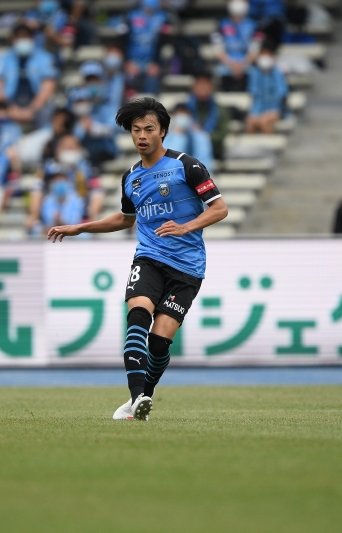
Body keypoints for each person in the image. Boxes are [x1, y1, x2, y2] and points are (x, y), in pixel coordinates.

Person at [46, 97, 228, 421]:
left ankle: (144, 396)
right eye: (136, 130)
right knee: (137, 317)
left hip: (187, 267)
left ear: (163, 131)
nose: (142, 135)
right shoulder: (131, 177)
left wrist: (185, 226)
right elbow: (125, 219)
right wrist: (80, 227)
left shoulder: (187, 166)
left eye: (149, 129)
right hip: (149, 258)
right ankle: (136, 398)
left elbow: (220, 208)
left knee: (158, 343)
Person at [0, 23, 57, 126]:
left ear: (33, 39)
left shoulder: (45, 58)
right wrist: (10, 108)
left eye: (26, 37)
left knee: (49, 115)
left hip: (38, 105)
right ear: (13, 39)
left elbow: (48, 86)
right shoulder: (3, 59)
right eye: (19, 37)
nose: (23, 40)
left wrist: (33, 108)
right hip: (9, 104)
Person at [123, 0, 170, 95]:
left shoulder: (164, 18)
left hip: (152, 62)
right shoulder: (131, 16)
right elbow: (123, 40)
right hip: (132, 61)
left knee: (152, 80)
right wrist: (127, 61)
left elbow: (165, 42)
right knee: (129, 80)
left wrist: (157, 63)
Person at [212, 0, 259, 92]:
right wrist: (232, 65)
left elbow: (255, 49)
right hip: (226, 63)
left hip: (247, 64)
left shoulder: (254, 24)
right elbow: (218, 49)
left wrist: (242, 65)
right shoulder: (221, 23)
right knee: (220, 71)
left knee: (254, 73)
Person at [187, 72, 231, 160]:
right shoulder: (185, 109)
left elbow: (222, 133)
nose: (202, 88)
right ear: (194, 87)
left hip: (214, 151)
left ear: (211, 87)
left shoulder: (220, 110)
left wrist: (202, 136)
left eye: (205, 85)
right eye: (200, 85)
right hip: (189, 150)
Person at [245, 43, 288, 134]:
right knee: (250, 122)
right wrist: (255, 114)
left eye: (267, 54)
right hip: (258, 109)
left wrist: (266, 113)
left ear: (272, 56)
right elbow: (254, 93)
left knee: (264, 121)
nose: (265, 57)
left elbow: (281, 94)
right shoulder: (254, 73)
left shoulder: (278, 73)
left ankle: (271, 142)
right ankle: (251, 143)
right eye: (262, 54)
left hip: (276, 109)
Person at [163, 103, 215, 170]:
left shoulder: (201, 136)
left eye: (185, 114)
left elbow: (205, 160)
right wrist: (179, 136)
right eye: (179, 114)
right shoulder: (165, 135)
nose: (182, 118)